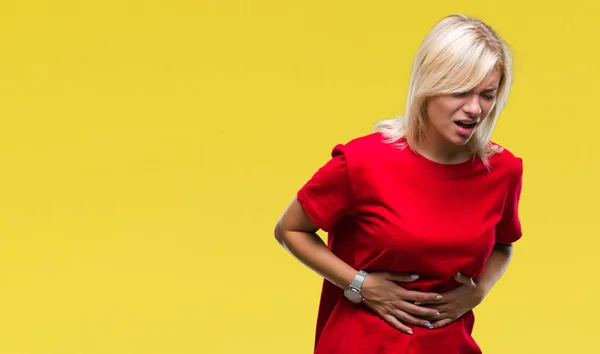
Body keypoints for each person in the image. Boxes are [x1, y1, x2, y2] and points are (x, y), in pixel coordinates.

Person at [274, 13, 523, 354]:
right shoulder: (363, 162)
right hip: (362, 344)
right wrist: (360, 284)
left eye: (487, 95)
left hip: (448, 345)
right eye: (460, 92)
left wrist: (478, 290)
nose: (474, 109)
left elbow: (504, 243)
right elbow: (289, 230)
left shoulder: (502, 170)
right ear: (428, 85)